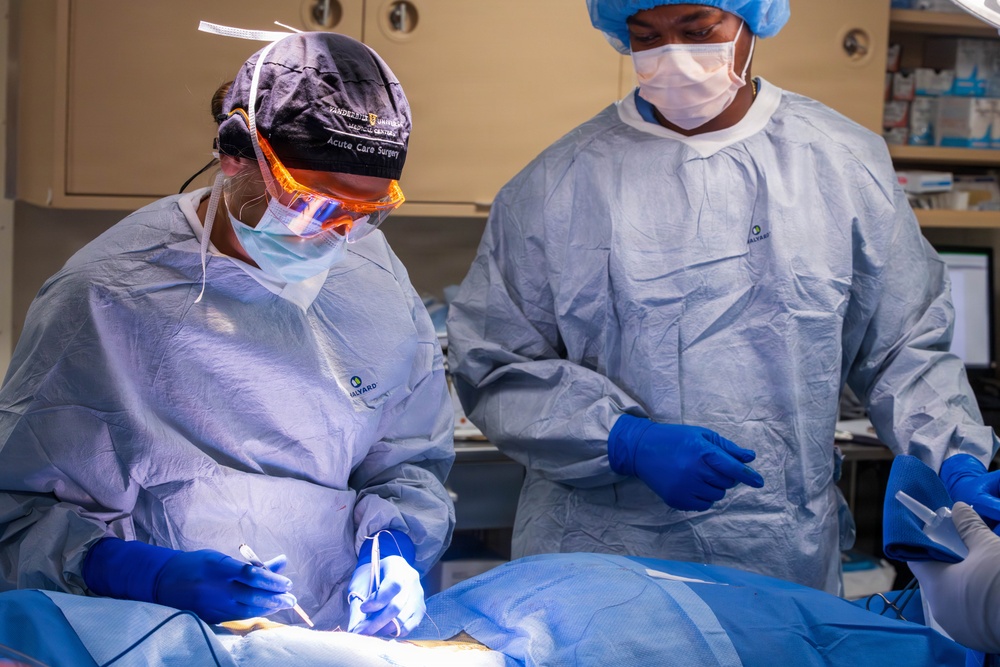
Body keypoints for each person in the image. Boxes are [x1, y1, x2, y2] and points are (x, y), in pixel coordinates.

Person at [445, 0, 1000, 595]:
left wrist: (955, 457)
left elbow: (903, 348)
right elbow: (495, 363)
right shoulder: (557, 183)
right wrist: (623, 441)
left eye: (697, 30)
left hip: (779, 556)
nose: (673, 56)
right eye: (646, 36)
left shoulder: (840, 165)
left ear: (751, 20)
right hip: (599, 561)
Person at [0, 26, 455, 637]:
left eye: (363, 215)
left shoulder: (372, 275)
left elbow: (408, 458)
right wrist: (140, 572)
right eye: (314, 205)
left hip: (332, 635)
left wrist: (395, 546)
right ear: (237, 154)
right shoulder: (109, 295)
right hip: (151, 634)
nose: (335, 237)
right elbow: (16, 512)